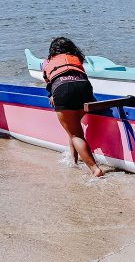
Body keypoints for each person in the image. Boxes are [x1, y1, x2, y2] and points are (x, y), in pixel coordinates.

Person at [42, 37, 103, 177]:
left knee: (75, 134)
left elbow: (49, 83)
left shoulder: (47, 62)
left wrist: (51, 96)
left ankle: (95, 169)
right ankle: (73, 160)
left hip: (63, 90)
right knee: (73, 128)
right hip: (85, 89)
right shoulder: (75, 58)